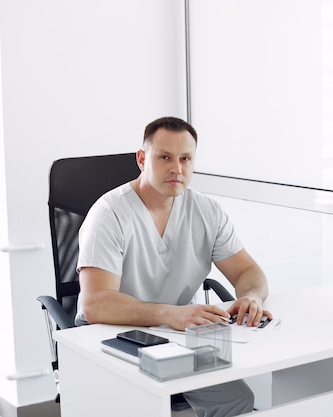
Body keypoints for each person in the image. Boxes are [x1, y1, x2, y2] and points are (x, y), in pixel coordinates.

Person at [75, 116, 272, 417]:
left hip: (177, 337)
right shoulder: (109, 214)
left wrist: (252, 297)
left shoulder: (206, 210)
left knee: (235, 399)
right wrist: (171, 314)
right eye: (164, 157)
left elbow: (248, 272)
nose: (176, 169)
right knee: (141, 405)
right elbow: (96, 305)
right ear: (142, 159)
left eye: (185, 159)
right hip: (113, 337)